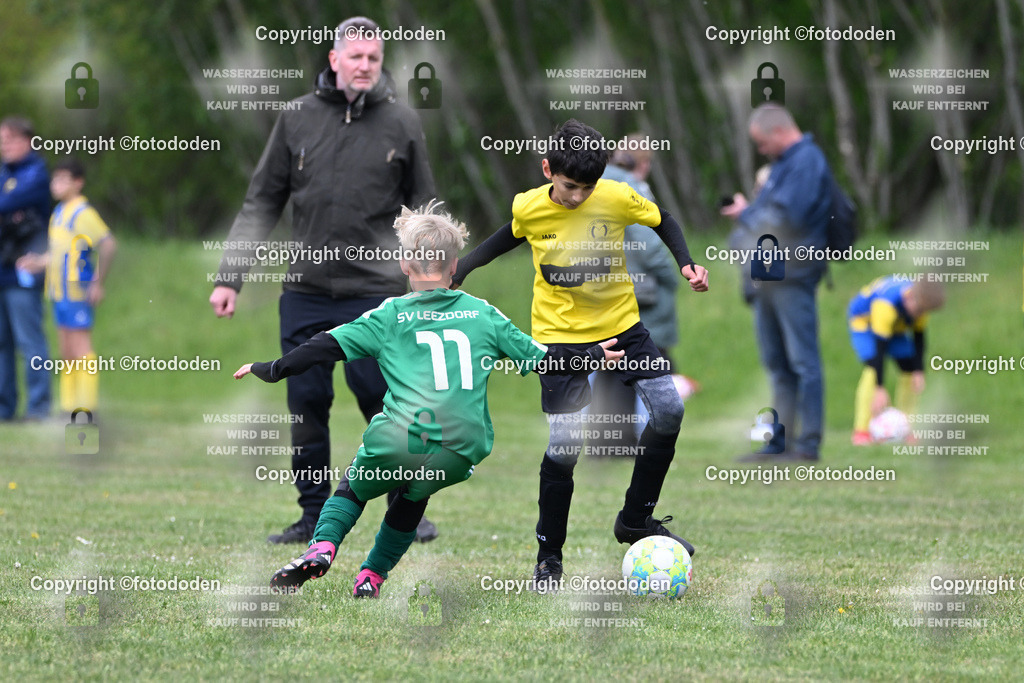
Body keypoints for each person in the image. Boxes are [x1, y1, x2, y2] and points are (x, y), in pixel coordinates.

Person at [234, 201, 624, 596]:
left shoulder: (389, 315)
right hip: (462, 444)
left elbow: (323, 346)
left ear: (405, 265)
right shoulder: (483, 314)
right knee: (412, 495)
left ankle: (322, 547)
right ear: (454, 266)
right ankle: (371, 576)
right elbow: (547, 361)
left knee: (355, 486)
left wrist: (273, 368)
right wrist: (593, 354)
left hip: (402, 435)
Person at [209, 16, 438, 544]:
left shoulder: (402, 122)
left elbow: (425, 208)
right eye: (355, 56)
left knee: (381, 398)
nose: (365, 66)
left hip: (376, 292)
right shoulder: (296, 117)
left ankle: (407, 508)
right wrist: (229, 278)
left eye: (374, 58)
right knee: (307, 402)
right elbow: (262, 201)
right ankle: (312, 515)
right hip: (306, 292)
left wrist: (430, 280)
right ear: (334, 59)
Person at [452, 119, 709, 588]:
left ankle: (635, 519)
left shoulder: (615, 196)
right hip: (560, 338)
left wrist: (686, 262)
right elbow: (509, 235)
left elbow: (663, 220)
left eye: (587, 188)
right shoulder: (529, 206)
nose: (578, 197)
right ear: (547, 170)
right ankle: (548, 558)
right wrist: (463, 268)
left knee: (669, 409)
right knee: (565, 446)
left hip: (623, 327)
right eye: (570, 186)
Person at [721, 104, 832, 462]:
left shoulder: (806, 162)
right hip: (768, 277)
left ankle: (808, 444)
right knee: (777, 363)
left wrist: (746, 214)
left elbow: (786, 218)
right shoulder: (785, 164)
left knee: (803, 362)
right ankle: (779, 442)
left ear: (779, 131)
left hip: (793, 275)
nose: (761, 150)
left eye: (762, 142)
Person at [589, 135, 697, 448]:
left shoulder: (591, 183)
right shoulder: (630, 186)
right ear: (642, 162)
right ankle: (632, 439)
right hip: (639, 289)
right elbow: (648, 243)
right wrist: (672, 274)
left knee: (610, 360)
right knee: (643, 359)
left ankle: (606, 441)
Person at [17, 158, 116, 414]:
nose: (56, 184)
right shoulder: (59, 212)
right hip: (58, 291)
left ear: (78, 183)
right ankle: (69, 406)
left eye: (63, 180)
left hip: (76, 290)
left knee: (81, 347)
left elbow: (108, 244)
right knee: (66, 349)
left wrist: (97, 283)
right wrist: (38, 262)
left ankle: (87, 406)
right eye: (55, 179)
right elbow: (60, 252)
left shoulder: (83, 213)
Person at [847, 276, 944, 444]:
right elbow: (880, 347)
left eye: (924, 312)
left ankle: (907, 427)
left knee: (909, 369)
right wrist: (879, 387)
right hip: (866, 324)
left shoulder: (921, 303)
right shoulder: (885, 305)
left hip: (896, 325)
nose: (920, 315)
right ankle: (861, 431)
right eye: (919, 310)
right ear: (909, 297)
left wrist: (919, 370)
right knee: (872, 368)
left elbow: (919, 337)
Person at [0, 116, 51, 421]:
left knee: (29, 340)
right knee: (1, 343)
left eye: (9, 140)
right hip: (1, 270)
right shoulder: (4, 172)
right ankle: (4, 408)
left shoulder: (37, 173)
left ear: (26, 141)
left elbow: (7, 202)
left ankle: (38, 407)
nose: (4, 146)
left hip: (25, 271)